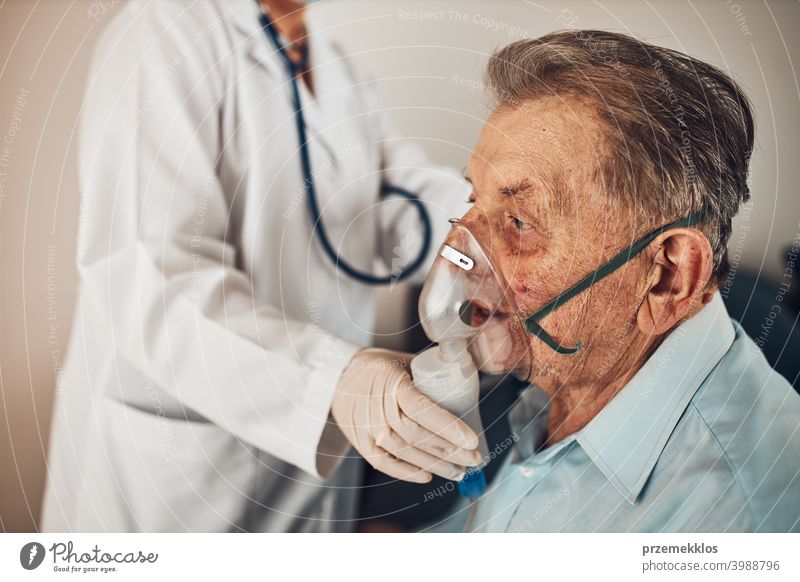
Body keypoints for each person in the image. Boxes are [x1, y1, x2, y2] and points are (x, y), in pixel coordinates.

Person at [42, 0, 481, 532]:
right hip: (183, 476)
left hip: (311, 464)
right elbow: (153, 279)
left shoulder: (336, 65)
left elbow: (388, 201)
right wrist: (333, 378)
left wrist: (489, 227)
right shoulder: (161, 34)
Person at [431, 30, 800, 532]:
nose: (459, 254)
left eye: (520, 221)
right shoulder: (570, 377)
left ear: (667, 277)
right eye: (474, 202)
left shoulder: (740, 523)